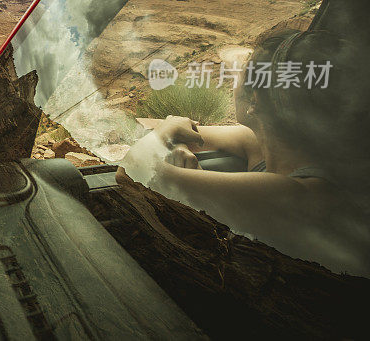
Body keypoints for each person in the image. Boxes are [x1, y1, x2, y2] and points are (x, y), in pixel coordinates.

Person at [118, 30, 370, 276]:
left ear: (256, 100)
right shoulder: (267, 143)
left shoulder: (300, 195)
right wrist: (175, 140)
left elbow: (131, 173)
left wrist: (166, 135)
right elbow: (177, 130)